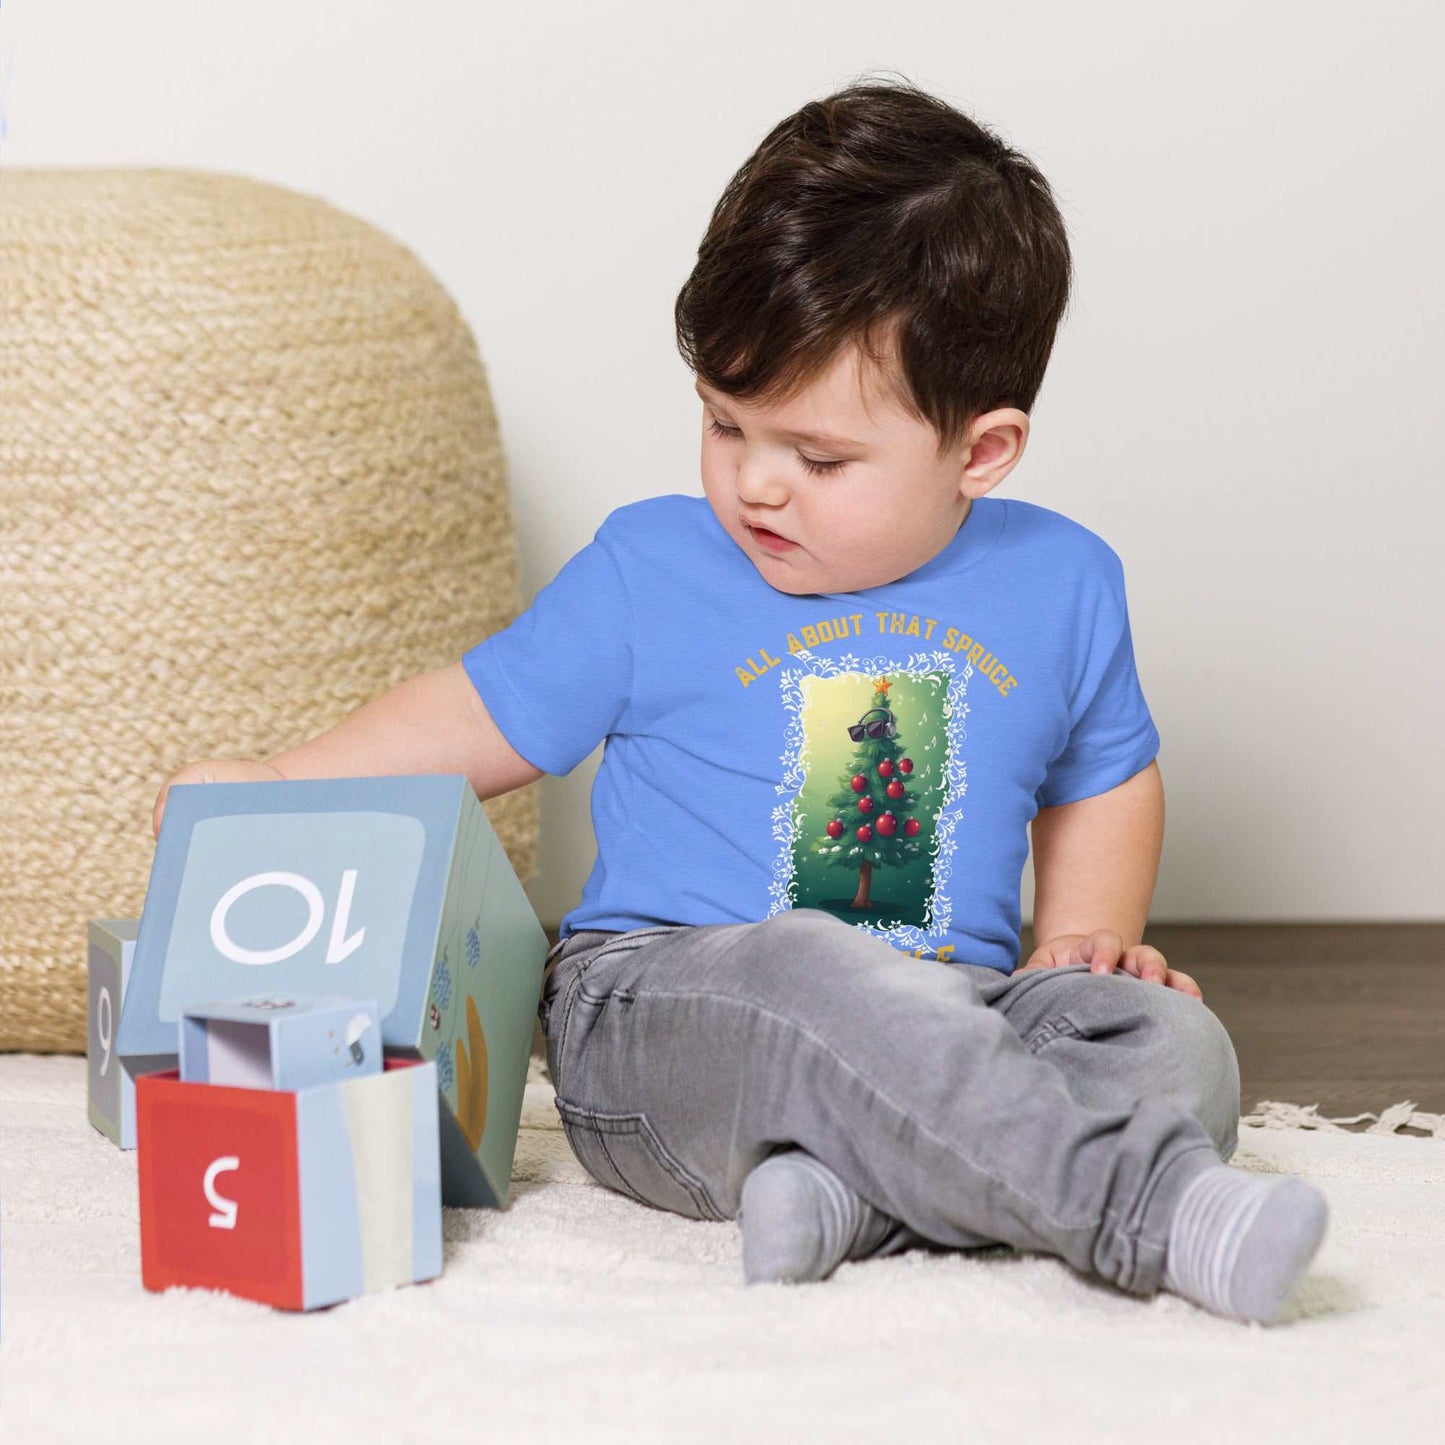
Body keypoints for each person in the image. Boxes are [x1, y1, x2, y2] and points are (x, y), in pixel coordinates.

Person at [153, 76, 1328, 1324]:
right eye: (724, 423)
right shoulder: (646, 567)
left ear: (979, 452)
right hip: (667, 1007)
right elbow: (474, 715)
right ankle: (1133, 1207)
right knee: (809, 969)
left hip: (957, 1005)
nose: (755, 484)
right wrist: (279, 786)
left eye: (817, 458)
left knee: (1172, 1044)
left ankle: (851, 1197)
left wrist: (1077, 942)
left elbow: (1104, 769)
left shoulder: (1063, 581)